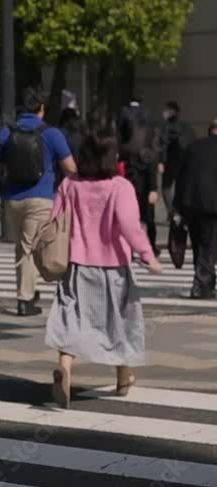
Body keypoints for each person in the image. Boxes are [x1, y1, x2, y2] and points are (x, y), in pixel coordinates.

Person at [45, 129, 163, 408]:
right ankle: (123, 378)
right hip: (113, 267)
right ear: (112, 157)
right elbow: (130, 226)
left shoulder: (70, 183)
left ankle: (65, 367)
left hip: (76, 264)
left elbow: (54, 219)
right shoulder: (120, 186)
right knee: (120, 320)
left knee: (71, 317)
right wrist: (148, 256)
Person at [0, 88, 77, 316]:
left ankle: (29, 291)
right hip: (40, 198)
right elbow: (71, 169)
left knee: (24, 247)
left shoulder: (6, 133)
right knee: (35, 247)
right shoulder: (52, 134)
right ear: (42, 108)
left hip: (12, 200)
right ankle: (26, 299)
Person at [173, 118, 217, 300]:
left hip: (190, 203)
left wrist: (177, 206)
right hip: (212, 205)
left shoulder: (193, 146)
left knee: (199, 245)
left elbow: (181, 176)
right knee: (208, 246)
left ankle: (207, 282)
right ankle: (201, 286)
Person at [117, 95, 162, 253]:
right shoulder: (148, 116)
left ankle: (128, 246)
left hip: (129, 166)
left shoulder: (123, 113)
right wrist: (154, 188)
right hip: (146, 164)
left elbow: (120, 135)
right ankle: (152, 246)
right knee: (149, 214)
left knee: (128, 211)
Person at [161, 101, 195, 221]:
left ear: (172, 111)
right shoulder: (186, 126)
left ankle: (172, 212)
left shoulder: (167, 126)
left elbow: (163, 145)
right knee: (182, 187)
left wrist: (161, 161)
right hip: (185, 161)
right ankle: (180, 212)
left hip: (171, 162)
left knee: (166, 187)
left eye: (166, 110)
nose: (163, 112)